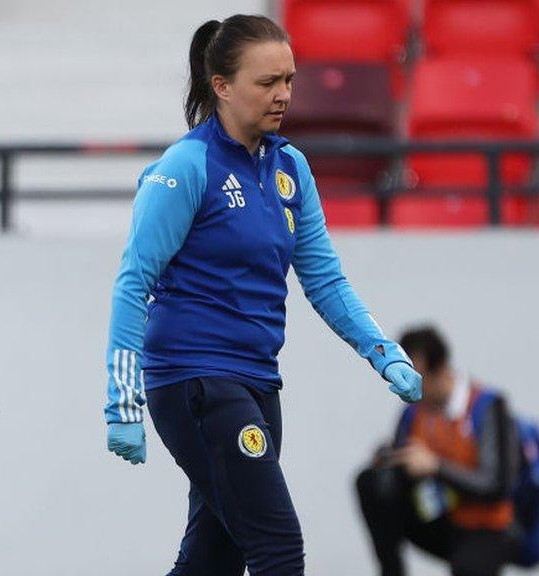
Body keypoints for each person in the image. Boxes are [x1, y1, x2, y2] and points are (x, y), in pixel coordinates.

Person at [103, 14, 423, 576]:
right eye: (267, 82)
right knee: (277, 546)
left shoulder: (290, 168)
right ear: (221, 86)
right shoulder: (186, 167)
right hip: (195, 381)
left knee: (214, 557)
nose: (283, 96)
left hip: (257, 383)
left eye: (290, 80)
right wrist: (122, 401)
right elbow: (134, 283)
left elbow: (323, 279)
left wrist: (382, 351)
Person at [355, 326, 520, 576]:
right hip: (439, 518)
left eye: (415, 376)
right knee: (371, 482)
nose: (408, 386)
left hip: (485, 528)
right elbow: (401, 476)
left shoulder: (487, 407)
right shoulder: (413, 412)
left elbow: (496, 486)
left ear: (440, 368)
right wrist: (390, 461)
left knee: (469, 568)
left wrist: (436, 466)